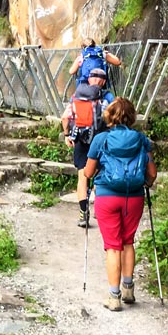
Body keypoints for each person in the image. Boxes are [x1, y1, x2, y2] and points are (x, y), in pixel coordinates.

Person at [83, 97, 157, 311]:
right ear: (132, 116)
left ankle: (114, 298)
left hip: (107, 196)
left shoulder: (101, 140)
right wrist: (145, 183)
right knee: (127, 242)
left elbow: (88, 172)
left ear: (109, 116)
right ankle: (128, 289)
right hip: (133, 197)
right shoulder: (142, 140)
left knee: (112, 246)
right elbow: (152, 173)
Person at [61, 68, 114, 227]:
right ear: (104, 81)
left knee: (82, 176)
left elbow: (65, 117)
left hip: (81, 141)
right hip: (101, 139)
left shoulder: (77, 95)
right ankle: (99, 208)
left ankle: (83, 214)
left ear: (89, 79)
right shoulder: (107, 97)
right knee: (100, 172)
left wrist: (67, 135)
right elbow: (114, 117)